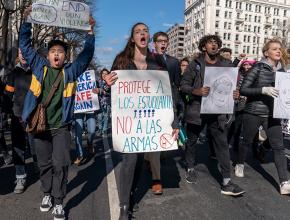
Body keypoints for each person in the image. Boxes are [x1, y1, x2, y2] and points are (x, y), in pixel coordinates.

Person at [20, 7, 95, 220]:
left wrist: (90, 33)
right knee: (43, 164)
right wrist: (26, 21)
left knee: (60, 164)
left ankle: (59, 201)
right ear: (48, 54)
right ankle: (46, 194)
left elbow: (86, 56)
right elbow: (25, 46)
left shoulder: (70, 71)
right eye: (53, 51)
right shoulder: (39, 66)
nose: (56, 54)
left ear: (64, 56)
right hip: (39, 125)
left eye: (60, 52)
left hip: (61, 127)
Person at [103, 22, 179, 220]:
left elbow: (167, 95)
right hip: (129, 122)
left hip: (149, 122)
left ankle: (130, 194)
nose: (142, 34)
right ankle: (123, 206)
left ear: (149, 37)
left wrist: (175, 123)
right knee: (129, 160)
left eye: (145, 31)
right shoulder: (122, 60)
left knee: (138, 164)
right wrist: (107, 80)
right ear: (132, 39)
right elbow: (111, 87)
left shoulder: (157, 63)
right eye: (138, 32)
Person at [180, 35, 245, 196]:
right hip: (197, 110)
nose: (214, 45)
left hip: (218, 112)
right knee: (192, 140)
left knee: (222, 144)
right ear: (204, 47)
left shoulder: (226, 64)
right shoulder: (195, 64)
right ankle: (190, 167)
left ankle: (226, 182)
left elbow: (232, 86)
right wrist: (196, 91)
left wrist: (235, 93)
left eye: (216, 43)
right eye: (210, 43)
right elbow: (184, 85)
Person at [238, 38, 290, 195]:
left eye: (279, 49)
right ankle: (240, 163)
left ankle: (284, 182)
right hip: (254, 111)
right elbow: (243, 90)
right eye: (274, 49)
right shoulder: (257, 68)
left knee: (278, 147)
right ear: (266, 52)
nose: (278, 51)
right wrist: (262, 90)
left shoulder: (283, 71)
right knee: (246, 141)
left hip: (274, 114)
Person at [4, 49, 38, 193]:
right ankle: (20, 177)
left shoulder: (37, 72)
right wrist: (7, 112)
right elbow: (7, 95)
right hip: (17, 116)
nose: (23, 55)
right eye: (20, 53)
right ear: (18, 56)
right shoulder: (12, 74)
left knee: (35, 145)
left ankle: (40, 168)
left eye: (26, 52)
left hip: (34, 116)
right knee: (18, 147)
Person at [96, 68, 111, 137]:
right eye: (103, 73)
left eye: (106, 74)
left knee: (106, 116)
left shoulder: (110, 83)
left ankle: (104, 130)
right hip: (99, 102)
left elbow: (111, 93)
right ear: (101, 74)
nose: (104, 75)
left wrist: (102, 91)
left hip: (107, 102)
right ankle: (100, 128)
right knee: (99, 117)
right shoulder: (98, 82)